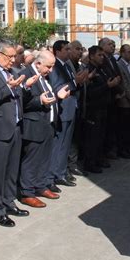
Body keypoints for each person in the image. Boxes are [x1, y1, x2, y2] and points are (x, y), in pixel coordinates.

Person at [0, 40, 36, 227]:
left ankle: (8, 202)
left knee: (11, 171)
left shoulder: (12, 72)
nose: (13, 60)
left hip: (15, 127)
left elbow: (17, 99)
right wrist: (8, 87)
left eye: (14, 56)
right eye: (9, 56)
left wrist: (24, 87)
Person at [19, 50, 69, 207]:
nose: (51, 70)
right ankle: (27, 192)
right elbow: (22, 101)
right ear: (38, 63)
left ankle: (40, 186)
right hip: (34, 125)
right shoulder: (26, 74)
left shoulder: (43, 75)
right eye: (49, 66)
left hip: (47, 123)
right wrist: (39, 101)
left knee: (44, 158)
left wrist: (56, 95)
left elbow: (47, 95)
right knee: (32, 160)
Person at [46, 40, 79, 192]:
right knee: (59, 144)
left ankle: (61, 172)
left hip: (71, 106)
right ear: (58, 51)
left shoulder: (66, 65)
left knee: (66, 143)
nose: (69, 51)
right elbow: (59, 85)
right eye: (66, 49)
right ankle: (54, 174)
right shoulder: (55, 67)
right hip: (63, 108)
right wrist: (74, 83)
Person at [82, 46, 120, 173]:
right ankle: (90, 163)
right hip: (94, 108)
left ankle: (99, 158)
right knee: (92, 137)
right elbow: (90, 92)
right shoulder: (89, 70)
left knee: (101, 136)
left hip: (104, 106)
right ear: (92, 56)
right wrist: (107, 85)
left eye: (103, 55)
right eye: (99, 55)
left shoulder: (102, 69)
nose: (102, 57)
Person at [66, 40, 89, 178]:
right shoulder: (67, 66)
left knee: (76, 138)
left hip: (79, 105)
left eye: (81, 49)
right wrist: (77, 81)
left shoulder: (79, 66)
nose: (80, 52)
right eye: (77, 49)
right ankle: (69, 166)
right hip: (69, 107)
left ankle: (74, 164)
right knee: (69, 140)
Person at [99, 38, 124, 160]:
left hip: (116, 96)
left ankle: (112, 149)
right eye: (109, 44)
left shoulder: (113, 59)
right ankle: (106, 152)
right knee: (106, 128)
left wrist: (120, 90)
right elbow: (107, 78)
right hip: (107, 96)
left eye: (113, 45)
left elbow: (118, 75)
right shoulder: (102, 60)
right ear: (102, 46)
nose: (113, 46)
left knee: (114, 125)